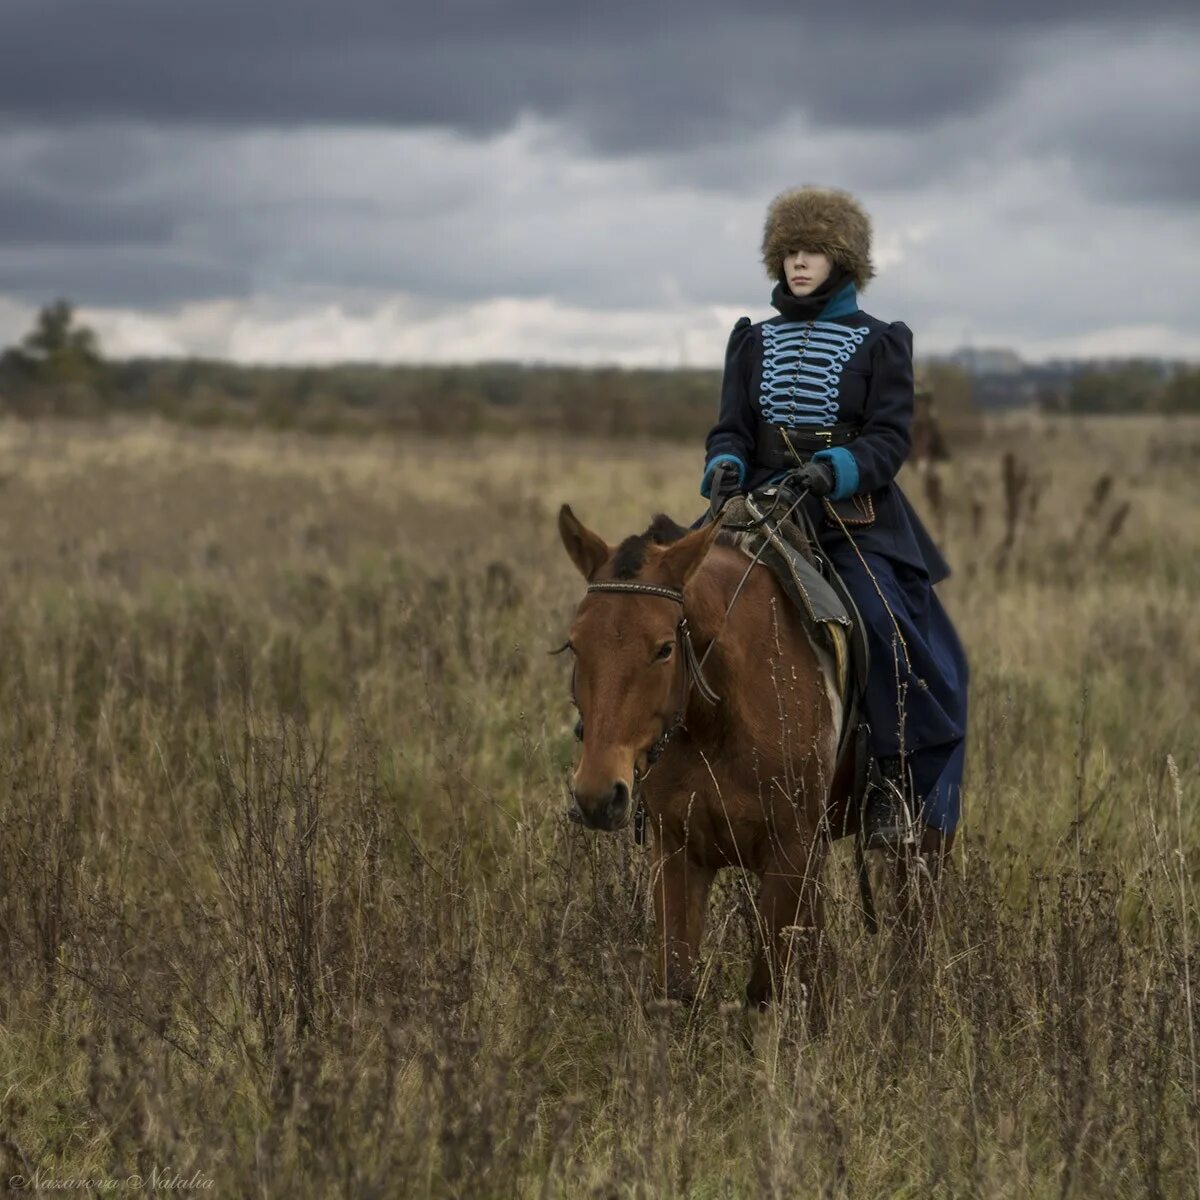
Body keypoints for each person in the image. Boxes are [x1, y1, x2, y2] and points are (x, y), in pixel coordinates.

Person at [699, 185, 969, 853]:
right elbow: (730, 428)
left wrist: (835, 468)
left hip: (851, 518)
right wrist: (725, 467)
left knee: (880, 623)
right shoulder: (750, 341)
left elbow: (889, 439)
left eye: (813, 251)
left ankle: (893, 783)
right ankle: (661, 776)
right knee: (666, 601)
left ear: (841, 259)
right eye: (789, 251)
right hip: (760, 508)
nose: (798, 263)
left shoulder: (882, 342)